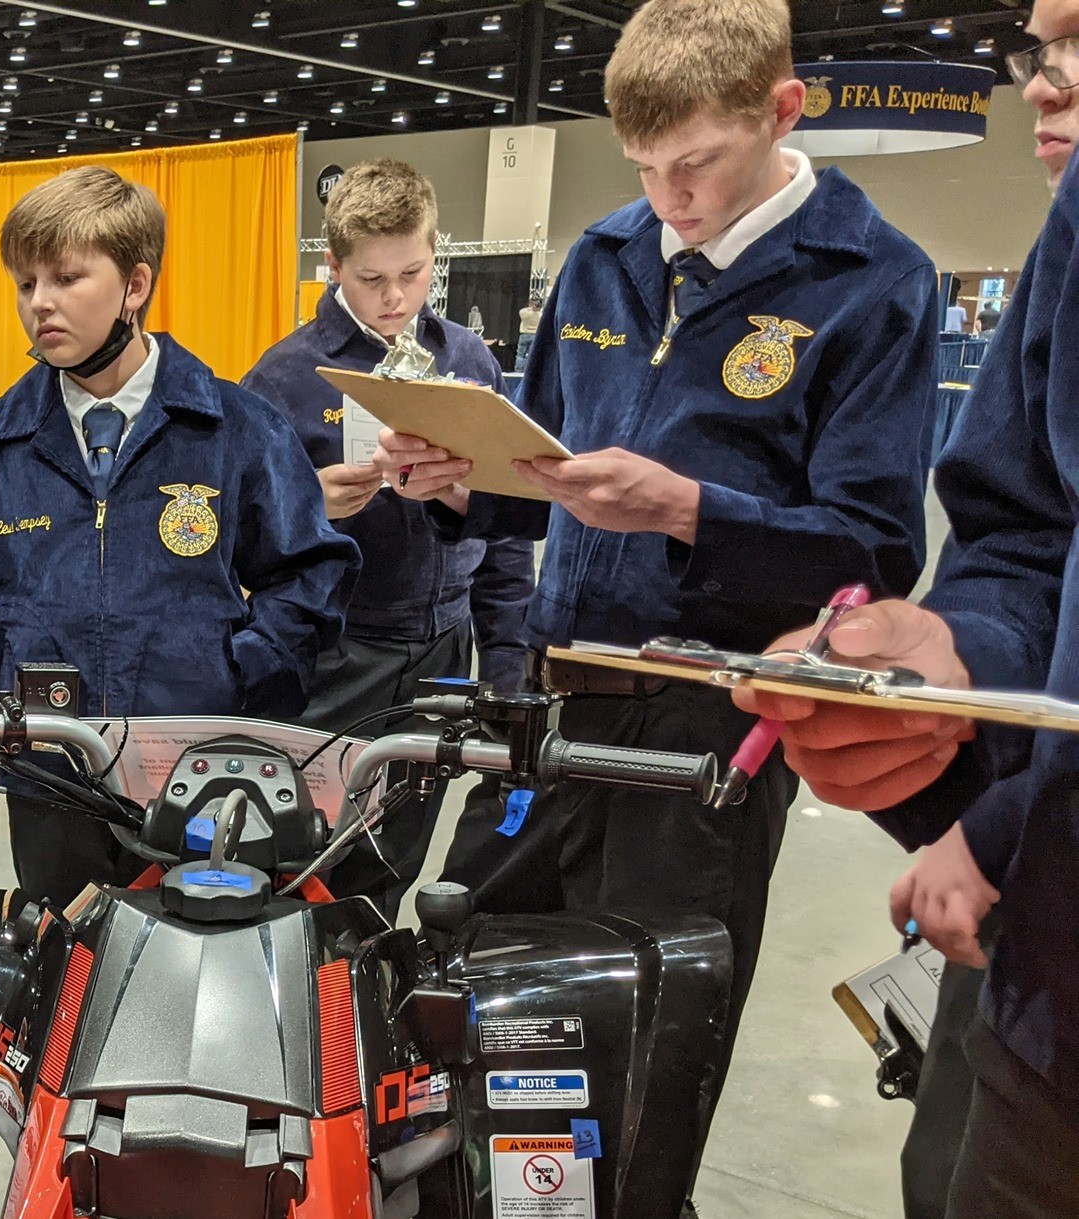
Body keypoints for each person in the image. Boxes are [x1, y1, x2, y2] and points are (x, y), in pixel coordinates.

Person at [380, 0, 937, 1198]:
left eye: (695, 164)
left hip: (702, 735)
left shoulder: (871, 282)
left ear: (781, 112)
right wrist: (454, 482)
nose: (669, 197)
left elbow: (877, 555)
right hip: (546, 710)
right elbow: (537, 478)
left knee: (642, 1048)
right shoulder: (604, 252)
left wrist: (690, 510)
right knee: (450, 985)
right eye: (645, 168)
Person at [736, 8, 1079, 1214]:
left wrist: (1000, 822)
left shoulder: (869, 275)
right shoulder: (1074, 236)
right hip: (1049, 1006)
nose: (1044, 84)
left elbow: (866, 523)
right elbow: (1022, 530)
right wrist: (954, 666)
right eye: (1038, 46)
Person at [0, 166, 359, 911]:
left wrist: (239, 678)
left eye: (65, 277)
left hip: (202, 775)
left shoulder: (234, 429)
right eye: (25, 283)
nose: (39, 303)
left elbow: (308, 570)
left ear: (135, 284)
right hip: (50, 776)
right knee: (64, 975)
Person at [240, 158, 534, 906]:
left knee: (394, 853)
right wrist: (303, 508)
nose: (395, 296)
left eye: (413, 271)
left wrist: (507, 656)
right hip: (336, 654)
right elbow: (220, 536)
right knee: (303, 853)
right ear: (332, 264)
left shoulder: (467, 361)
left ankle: (363, 987)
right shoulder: (283, 377)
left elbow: (505, 528)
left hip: (444, 650)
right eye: (372, 279)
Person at [516, 292, 545, 372]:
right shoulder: (540, 315)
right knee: (531, 354)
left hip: (524, 334)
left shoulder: (525, 313)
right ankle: (529, 370)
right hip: (534, 335)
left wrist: (531, 307)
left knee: (520, 354)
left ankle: (519, 369)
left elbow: (521, 311)